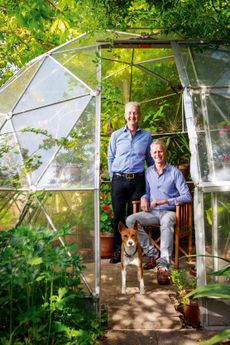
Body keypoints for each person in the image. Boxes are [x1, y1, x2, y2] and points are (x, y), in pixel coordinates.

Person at [126, 139, 192, 284]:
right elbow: (148, 193)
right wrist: (144, 198)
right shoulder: (148, 172)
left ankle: (163, 267)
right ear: (151, 154)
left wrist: (165, 201)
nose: (157, 154)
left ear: (165, 153)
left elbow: (187, 196)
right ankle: (153, 254)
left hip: (169, 212)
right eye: (155, 152)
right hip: (153, 213)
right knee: (130, 220)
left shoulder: (175, 172)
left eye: (160, 151)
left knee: (166, 220)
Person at [108, 101, 154, 264]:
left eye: (135, 113)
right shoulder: (116, 135)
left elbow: (150, 162)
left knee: (132, 219)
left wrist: (150, 188)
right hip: (119, 180)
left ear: (139, 115)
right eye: (129, 113)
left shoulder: (146, 136)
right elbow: (111, 158)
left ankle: (132, 252)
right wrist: (113, 178)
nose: (132, 116)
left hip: (138, 181)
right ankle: (118, 251)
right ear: (125, 115)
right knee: (118, 217)